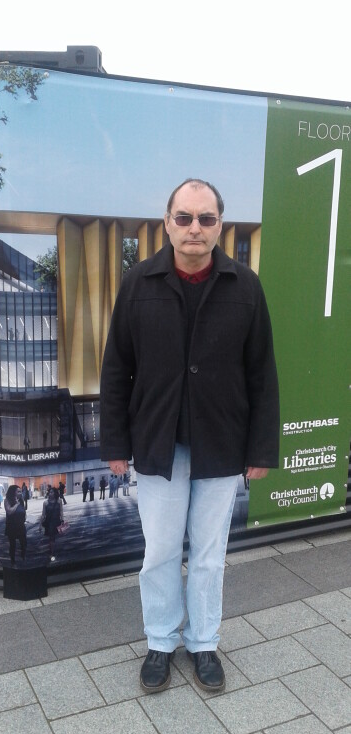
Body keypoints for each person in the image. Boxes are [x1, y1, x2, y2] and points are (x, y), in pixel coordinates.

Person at [100, 178, 279, 695]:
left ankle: (203, 642)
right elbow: (116, 369)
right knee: (159, 551)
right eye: (184, 217)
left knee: (207, 553)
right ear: (168, 223)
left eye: (205, 218)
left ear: (220, 225)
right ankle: (160, 640)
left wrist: (261, 448)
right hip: (158, 442)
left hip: (222, 443)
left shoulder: (245, 286)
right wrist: (115, 443)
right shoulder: (139, 283)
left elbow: (262, 373)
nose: (194, 228)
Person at [4, 485, 27, 566]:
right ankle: (12, 560)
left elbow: (23, 510)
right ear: (13, 492)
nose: (20, 493)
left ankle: (23, 555)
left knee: (24, 543)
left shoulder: (21, 500)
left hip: (21, 525)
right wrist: (16, 504)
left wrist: (25, 518)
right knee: (12, 544)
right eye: (18, 491)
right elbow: (9, 511)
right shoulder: (7, 500)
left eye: (21, 491)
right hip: (11, 526)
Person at [39, 486, 64, 558]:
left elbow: (61, 511)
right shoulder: (45, 503)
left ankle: (51, 550)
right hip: (49, 522)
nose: (50, 493)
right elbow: (43, 514)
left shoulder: (59, 501)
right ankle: (52, 553)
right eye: (49, 492)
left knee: (53, 537)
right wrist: (40, 525)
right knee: (51, 537)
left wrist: (62, 519)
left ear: (55, 493)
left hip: (57, 521)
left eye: (52, 492)